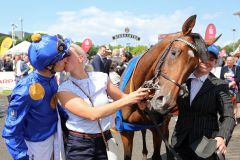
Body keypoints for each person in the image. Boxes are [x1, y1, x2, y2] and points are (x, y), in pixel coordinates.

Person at [57, 44, 149, 160]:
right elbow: (92, 114)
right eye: (62, 56)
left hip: (104, 140)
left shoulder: (101, 77)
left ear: (81, 58)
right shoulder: (63, 89)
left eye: (68, 54)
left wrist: (139, 99)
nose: (64, 58)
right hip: (80, 145)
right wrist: (129, 99)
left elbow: (121, 97)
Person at [2, 33, 71, 160]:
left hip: (55, 137)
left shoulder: (51, 78)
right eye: (63, 57)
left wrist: (68, 121)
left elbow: (55, 106)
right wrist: (23, 157)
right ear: (49, 65)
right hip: (36, 147)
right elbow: (11, 132)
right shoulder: (25, 90)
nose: (67, 59)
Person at [171, 44, 236, 160]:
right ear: (196, 58)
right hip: (179, 143)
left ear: (215, 63)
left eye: (211, 59)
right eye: (203, 57)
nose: (207, 61)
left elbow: (228, 116)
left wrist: (222, 136)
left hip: (205, 147)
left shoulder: (220, 85)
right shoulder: (181, 81)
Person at [220, 55, 240, 124]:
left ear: (233, 61)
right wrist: (225, 85)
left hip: (234, 89)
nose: (228, 61)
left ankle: (234, 118)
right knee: (226, 103)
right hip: (225, 88)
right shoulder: (223, 68)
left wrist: (233, 83)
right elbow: (221, 78)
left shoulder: (237, 68)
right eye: (227, 60)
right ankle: (227, 118)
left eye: (230, 60)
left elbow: (238, 78)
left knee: (234, 104)